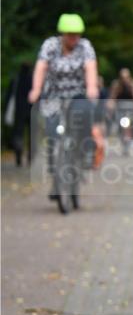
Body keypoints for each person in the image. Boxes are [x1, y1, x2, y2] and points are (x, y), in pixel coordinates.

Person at [27, 14, 99, 205]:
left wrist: (92, 87)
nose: (74, 37)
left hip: (77, 95)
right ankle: (56, 179)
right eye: (70, 34)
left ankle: (83, 153)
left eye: (77, 34)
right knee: (52, 136)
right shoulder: (50, 45)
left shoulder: (85, 47)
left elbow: (90, 68)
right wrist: (36, 89)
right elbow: (41, 67)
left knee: (83, 118)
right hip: (53, 96)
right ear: (63, 34)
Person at [4, 62, 33, 166]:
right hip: (31, 111)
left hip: (18, 111)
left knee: (18, 134)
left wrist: (6, 110)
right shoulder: (33, 80)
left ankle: (18, 156)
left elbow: (8, 96)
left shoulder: (16, 80)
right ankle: (30, 156)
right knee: (31, 135)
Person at [109, 67, 133, 154]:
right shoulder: (116, 84)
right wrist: (111, 104)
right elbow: (113, 96)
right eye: (123, 77)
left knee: (130, 126)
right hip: (120, 108)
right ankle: (123, 144)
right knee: (120, 126)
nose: (124, 79)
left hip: (130, 108)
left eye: (126, 77)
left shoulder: (132, 84)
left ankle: (131, 142)